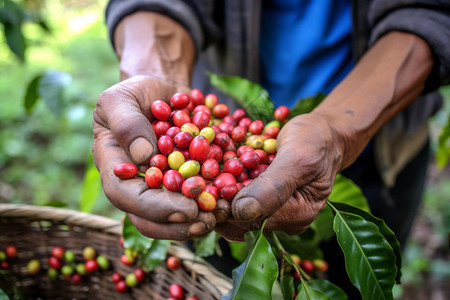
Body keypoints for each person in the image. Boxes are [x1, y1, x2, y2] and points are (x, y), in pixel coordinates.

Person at [93, 0, 450, 297]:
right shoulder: (205, 142)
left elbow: (431, 12)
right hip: (243, 128)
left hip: (379, 147)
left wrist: (338, 132)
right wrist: (150, 74)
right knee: (213, 272)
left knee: (345, 279)